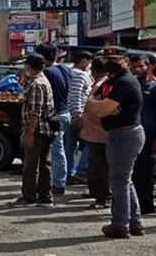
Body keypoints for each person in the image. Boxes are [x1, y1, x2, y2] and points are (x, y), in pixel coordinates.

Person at [85, 46, 145, 239]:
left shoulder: (126, 82)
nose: (110, 63)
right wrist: (97, 104)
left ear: (126, 61)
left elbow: (102, 108)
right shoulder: (112, 81)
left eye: (116, 60)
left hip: (126, 133)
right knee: (125, 181)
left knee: (119, 181)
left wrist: (98, 105)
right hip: (118, 133)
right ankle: (135, 223)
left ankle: (120, 225)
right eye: (107, 59)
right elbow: (94, 102)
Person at [8, 54, 56, 207]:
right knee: (43, 165)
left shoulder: (36, 84)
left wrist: (29, 133)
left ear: (29, 67)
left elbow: (35, 112)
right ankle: (44, 196)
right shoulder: (41, 81)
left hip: (37, 131)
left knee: (30, 165)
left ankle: (29, 196)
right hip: (45, 130)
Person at [131, 55, 156, 215]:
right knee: (131, 173)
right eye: (134, 66)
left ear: (149, 67)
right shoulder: (130, 86)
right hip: (131, 135)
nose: (137, 70)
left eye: (141, 66)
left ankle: (146, 205)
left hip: (149, 136)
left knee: (147, 173)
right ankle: (132, 205)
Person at [36, 42, 72, 195]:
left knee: (57, 150)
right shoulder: (65, 69)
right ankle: (58, 181)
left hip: (55, 115)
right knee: (59, 148)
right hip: (65, 112)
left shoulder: (48, 72)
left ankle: (58, 184)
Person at [81, 57, 111, 209]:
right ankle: (98, 193)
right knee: (96, 166)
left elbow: (99, 107)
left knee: (100, 167)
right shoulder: (100, 84)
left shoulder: (103, 85)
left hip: (100, 133)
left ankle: (103, 196)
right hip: (95, 132)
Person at [66, 50, 93, 183]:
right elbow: (75, 95)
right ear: (83, 61)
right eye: (89, 62)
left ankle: (69, 173)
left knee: (69, 146)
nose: (89, 65)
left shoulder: (68, 73)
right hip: (78, 116)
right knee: (88, 143)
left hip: (70, 114)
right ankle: (79, 171)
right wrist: (77, 114)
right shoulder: (80, 75)